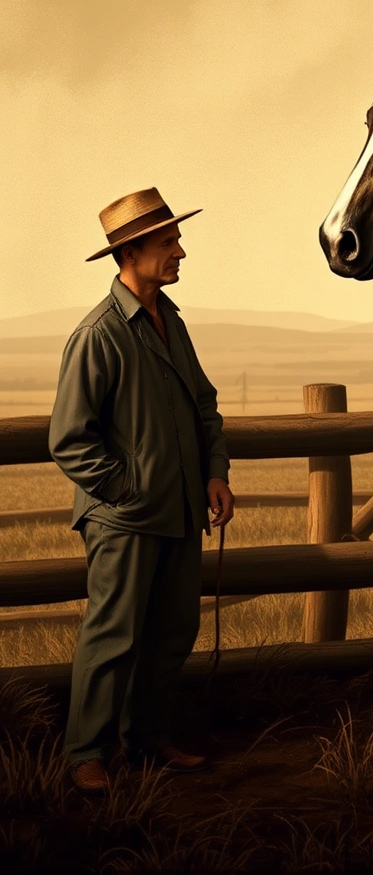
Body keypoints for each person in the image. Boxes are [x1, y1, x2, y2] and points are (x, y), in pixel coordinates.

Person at [49, 188, 234, 795]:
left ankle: (149, 741)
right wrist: (127, 491)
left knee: (172, 631)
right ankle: (86, 754)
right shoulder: (98, 335)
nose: (181, 251)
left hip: (182, 511)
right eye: (168, 242)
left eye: (176, 239)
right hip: (125, 519)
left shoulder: (170, 320)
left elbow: (204, 405)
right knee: (113, 637)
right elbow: (70, 439)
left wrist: (214, 473)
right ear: (130, 252)